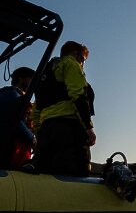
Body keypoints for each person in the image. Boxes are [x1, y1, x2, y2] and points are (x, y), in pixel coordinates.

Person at [34, 41, 96, 176]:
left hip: (46, 129)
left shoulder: (46, 72)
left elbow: (37, 108)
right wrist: (88, 127)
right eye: (82, 60)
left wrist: (39, 134)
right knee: (75, 173)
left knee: (43, 172)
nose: (82, 64)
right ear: (75, 54)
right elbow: (78, 95)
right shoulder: (70, 63)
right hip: (68, 129)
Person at [0, 66, 36, 168]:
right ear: (21, 78)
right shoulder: (11, 94)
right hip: (10, 148)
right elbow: (12, 118)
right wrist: (31, 138)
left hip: (18, 148)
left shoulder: (19, 97)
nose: (33, 83)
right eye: (31, 79)